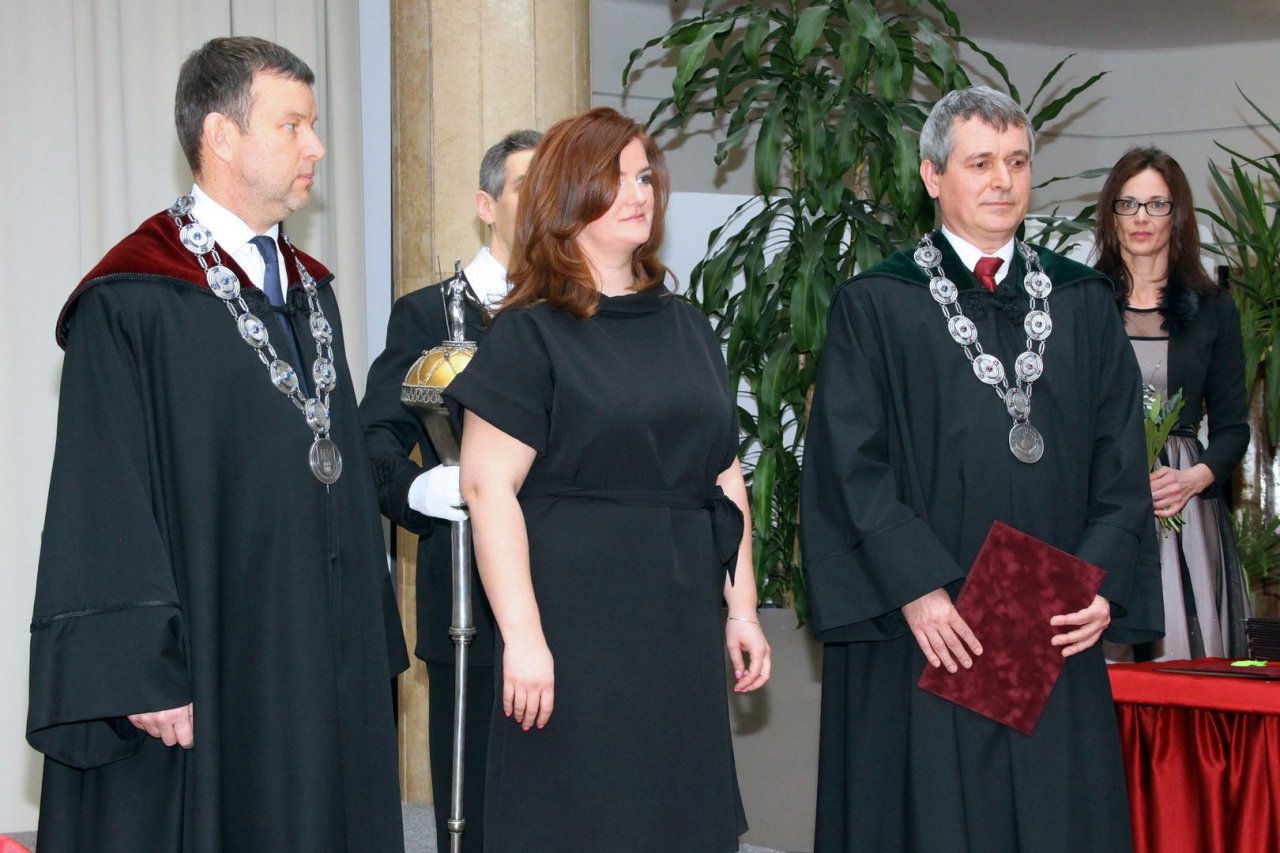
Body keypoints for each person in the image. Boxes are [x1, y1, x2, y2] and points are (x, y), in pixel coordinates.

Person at [26, 37, 406, 852]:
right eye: (293, 126)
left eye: (313, 125)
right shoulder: (133, 297)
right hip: (206, 656)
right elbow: (102, 494)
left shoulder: (311, 291)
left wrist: (364, 636)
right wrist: (138, 667)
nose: (317, 147)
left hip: (313, 645)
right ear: (221, 136)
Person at [801, 86, 1155, 852]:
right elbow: (850, 462)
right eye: (981, 163)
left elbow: (1122, 457)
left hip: (1051, 615)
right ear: (932, 176)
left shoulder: (1083, 301)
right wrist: (916, 588)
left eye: (1018, 162)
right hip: (933, 625)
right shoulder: (877, 304)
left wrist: (1099, 581)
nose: (1003, 181)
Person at [443, 106, 770, 852]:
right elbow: (488, 489)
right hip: (574, 625)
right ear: (566, 197)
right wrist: (524, 637)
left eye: (644, 177)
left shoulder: (688, 325)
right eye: (614, 179)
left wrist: (743, 609)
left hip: (678, 623)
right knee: (579, 818)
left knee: (675, 818)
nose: (637, 193)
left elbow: (723, 473)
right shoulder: (528, 330)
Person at [360, 128, 540, 852]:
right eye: (527, 186)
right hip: (466, 592)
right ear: (486, 205)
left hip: (571, 592)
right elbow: (370, 441)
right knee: (472, 802)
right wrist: (422, 489)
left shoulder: (582, 312)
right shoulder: (426, 314)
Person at [1094, 147, 1251, 661]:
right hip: (1100, 498)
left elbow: (1232, 428)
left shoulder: (1214, 308)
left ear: (1176, 215)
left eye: (1157, 205)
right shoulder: (1082, 302)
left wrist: (1193, 479)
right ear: (1111, 215)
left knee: (1185, 666)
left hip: (1182, 504)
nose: (1141, 218)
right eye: (1128, 204)